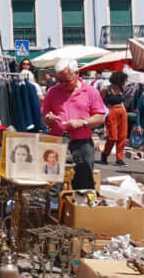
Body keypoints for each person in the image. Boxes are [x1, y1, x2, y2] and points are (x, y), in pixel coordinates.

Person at [42, 58, 107, 190]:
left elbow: (100, 118)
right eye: (59, 81)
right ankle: (56, 209)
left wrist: (82, 122)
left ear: (76, 74)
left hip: (82, 143)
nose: (62, 85)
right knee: (53, 184)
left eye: (66, 81)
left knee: (83, 184)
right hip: (57, 142)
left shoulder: (90, 91)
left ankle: (79, 209)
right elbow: (44, 115)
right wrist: (48, 118)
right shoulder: (52, 91)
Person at [101, 71, 128, 166]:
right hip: (111, 111)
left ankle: (119, 158)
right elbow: (101, 102)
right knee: (112, 137)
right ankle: (105, 154)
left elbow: (122, 102)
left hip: (122, 111)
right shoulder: (106, 89)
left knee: (122, 136)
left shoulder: (121, 89)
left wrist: (124, 111)